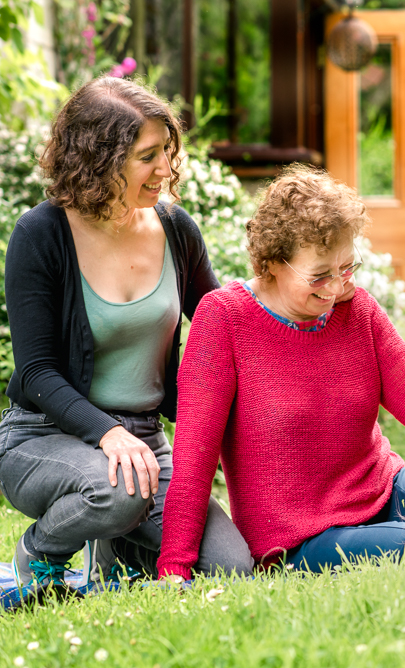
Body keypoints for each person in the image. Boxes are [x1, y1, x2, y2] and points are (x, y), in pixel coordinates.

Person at [156, 166, 405, 581]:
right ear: (270, 263)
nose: (336, 288)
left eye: (346, 267)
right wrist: (175, 566)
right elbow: (194, 458)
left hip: (385, 489)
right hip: (299, 538)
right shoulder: (224, 319)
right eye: (319, 275)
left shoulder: (357, 311)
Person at [0, 77, 252, 598]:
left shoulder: (176, 230)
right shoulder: (41, 234)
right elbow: (37, 373)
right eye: (148, 156)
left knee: (231, 567)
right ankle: (40, 550)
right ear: (99, 162)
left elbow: (223, 323)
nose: (166, 168)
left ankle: (118, 552)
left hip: (144, 442)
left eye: (167, 151)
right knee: (117, 492)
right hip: (45, 435)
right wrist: (108, 434)